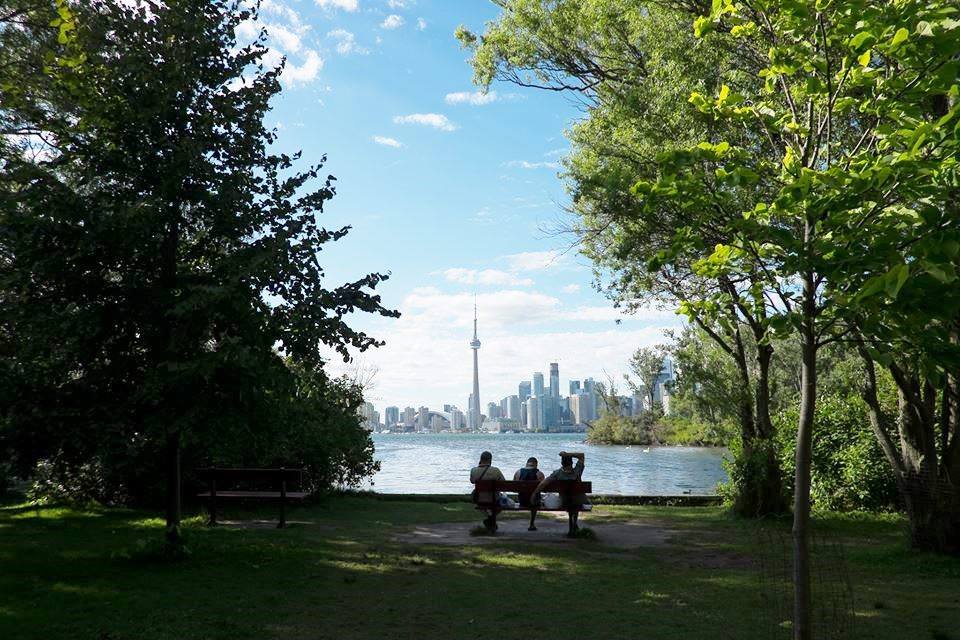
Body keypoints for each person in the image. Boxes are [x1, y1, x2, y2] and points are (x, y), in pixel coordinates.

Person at [531, 451, 586, 537]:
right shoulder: (577, 471)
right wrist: (568, 454)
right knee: (575, 501)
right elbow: (582, 456)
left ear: (562, 463)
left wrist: (534, 493)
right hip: (578, 500)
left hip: (565, 501)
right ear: (571, 463)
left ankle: (573, 526)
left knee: (570, 501)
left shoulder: (557, 473)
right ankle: (574, 524)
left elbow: (543, 484)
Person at [470, 451, 505, 531]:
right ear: (490, 460)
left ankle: (490, 522)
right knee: (502, 503)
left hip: (479, 499)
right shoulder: (495, 471)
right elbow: (503, 483)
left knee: (491, 509)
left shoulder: (473, 470)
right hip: (494, 500)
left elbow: (472, 481)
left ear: (480, 459)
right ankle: (491, 521)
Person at [514, 457, 545, 531]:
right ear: (536, 465)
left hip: (522, 501)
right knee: (535, 498)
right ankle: (531, 524)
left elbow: (514, 488)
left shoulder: (518, 472)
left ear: (527, 464)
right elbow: (544, 489)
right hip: (534, 503)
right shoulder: (539, 474)